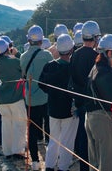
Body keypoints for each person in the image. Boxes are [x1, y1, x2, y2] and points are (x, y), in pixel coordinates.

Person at [39, 33, 78, 171]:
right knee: (67, 141)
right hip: (69, 110)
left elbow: (41, 84)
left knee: (53, 139)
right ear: (71, 50)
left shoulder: (49, 66)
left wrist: (52, 93)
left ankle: (49, 166)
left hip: (53, 108)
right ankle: (63, 167)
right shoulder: (73, 68)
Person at [86, 34, 112, 171]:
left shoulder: (95, 67)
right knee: (107, 163)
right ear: (109, 52)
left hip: (90, 118)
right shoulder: (105, 72)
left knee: (94, 163)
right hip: (102, 119)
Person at [20, 25, 54, 171]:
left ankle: (35, 162)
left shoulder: (22, 56)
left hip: (30, 99)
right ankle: (51, 159)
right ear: (41, 40)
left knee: (32, 131)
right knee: (49, 128)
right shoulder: (47, 55)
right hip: (46, 97)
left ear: (29, 39)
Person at [70, 20, 101, 171]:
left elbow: (73, 78)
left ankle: (84, 166)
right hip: (93, 104)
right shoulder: (97, 56)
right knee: (95, 139)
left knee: (82, 137)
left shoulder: (74, 55)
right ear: (95, 38)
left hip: (79, 100)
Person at [0, 38, 27, 159]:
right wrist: (16, 53)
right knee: (20, 123)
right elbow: (24, 63)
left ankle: (7, 151)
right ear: (8, 49)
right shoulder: (14, 62)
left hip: (3, 98)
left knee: (6, 125)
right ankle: (18, 150)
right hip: (16, 97)